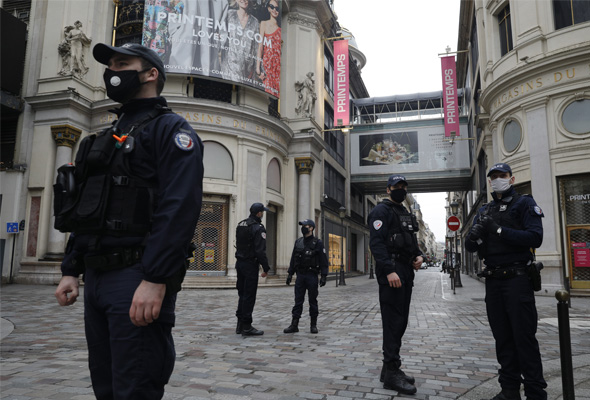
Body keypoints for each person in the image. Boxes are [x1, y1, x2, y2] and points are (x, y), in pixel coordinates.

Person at [54, 42, 204, 400]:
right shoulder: (103, 137)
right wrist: (71, 268)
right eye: (110, 66)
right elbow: (87, 207)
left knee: (135, 385)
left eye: (123, 64)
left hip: (136, 276)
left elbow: (179, 209)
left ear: (150, 74)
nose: (112, 72)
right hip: (97, 281)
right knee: (105, 385)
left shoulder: (171, 130)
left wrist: (155, 279)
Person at [465, 163, 546, 400]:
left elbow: (535, 237)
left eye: (503, 176)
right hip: (493, 281)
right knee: (502, 338)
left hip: (518, 280)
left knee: (524, 338)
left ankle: (535, 393)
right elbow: (471, 245)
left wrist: (498, 231)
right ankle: (509, 390)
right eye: (494, 177)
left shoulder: (525, 204)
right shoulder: (484, 210)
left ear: (511, 179)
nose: (498, 180)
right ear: (489, 181)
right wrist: (475, 237)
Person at [368, 175, 423, 395]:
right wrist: (389, 270)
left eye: (403, 187)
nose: (400, 189)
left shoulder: (404, 212)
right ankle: (391, 371)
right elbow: (377, 243)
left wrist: (419, 256)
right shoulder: (381, 211)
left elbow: (410, 241)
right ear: (388, 188)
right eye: (396, 186)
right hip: (391, 271)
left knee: (401, 321)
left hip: (405, 270)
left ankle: (389, 369)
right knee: (393, 321)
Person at [283, 219, 329, 334]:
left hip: (311, 275)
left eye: (305, 226)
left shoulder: (317, 242)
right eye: (302, 226)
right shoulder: (298, 242)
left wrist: (324, 276)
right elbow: (293, 258)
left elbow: (323, 260)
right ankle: (294, 324)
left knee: (312, 300)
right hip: (300, 275)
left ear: (311, 228)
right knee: (298, 300)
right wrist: (290, 273)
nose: (303, 227)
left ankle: (313, 325)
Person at [235, 202, 271, 336]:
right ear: (259, 213)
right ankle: (246, 326)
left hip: (240, 263)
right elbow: (260, 251)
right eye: (263, 212)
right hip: (250, 265)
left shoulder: (241, 224)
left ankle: (239, 325)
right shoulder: (258, 228)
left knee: (242, 294)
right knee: (249, 295)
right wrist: (266, 268)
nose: (263, 214)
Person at [220, 0, 260, 83]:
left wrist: (258, 69)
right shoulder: (229, 14)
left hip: (246, 69)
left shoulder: (255, 22)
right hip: (229, 64)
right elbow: (221, 35)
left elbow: (256, 48)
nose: (244, 0)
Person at [255, 0, 281, 96]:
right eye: (272, 7)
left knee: (273, 94)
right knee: (266, 92)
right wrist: (258, 68)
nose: (274, 10)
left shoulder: (280, 30)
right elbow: (260, 46)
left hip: (277, 68)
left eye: (277, 8)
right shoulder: (264, 23)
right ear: (269, 8)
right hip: (266, 66)